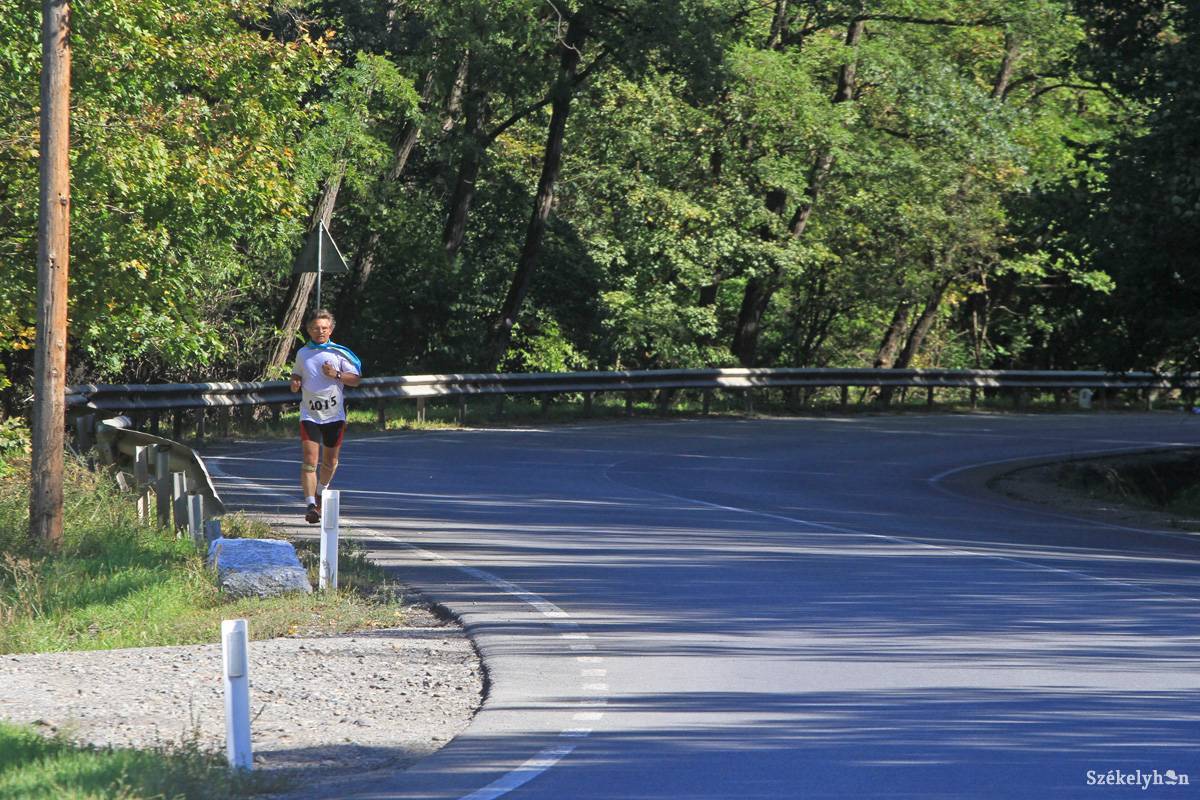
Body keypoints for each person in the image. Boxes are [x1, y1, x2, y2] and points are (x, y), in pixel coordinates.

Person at [289, 309, 362, 524]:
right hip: (310, 414)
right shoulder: (303, 353)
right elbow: (297, 373)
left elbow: (356, 380)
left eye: (324, 328)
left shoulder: (339, 353)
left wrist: (336, 374)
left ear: (330, 329)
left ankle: (321, 490)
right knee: (310, 461)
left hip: (334, 416)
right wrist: (294, 381)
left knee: (330, 462)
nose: (320, 331)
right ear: (308, 330)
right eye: (315, 328)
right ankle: (311, 504)